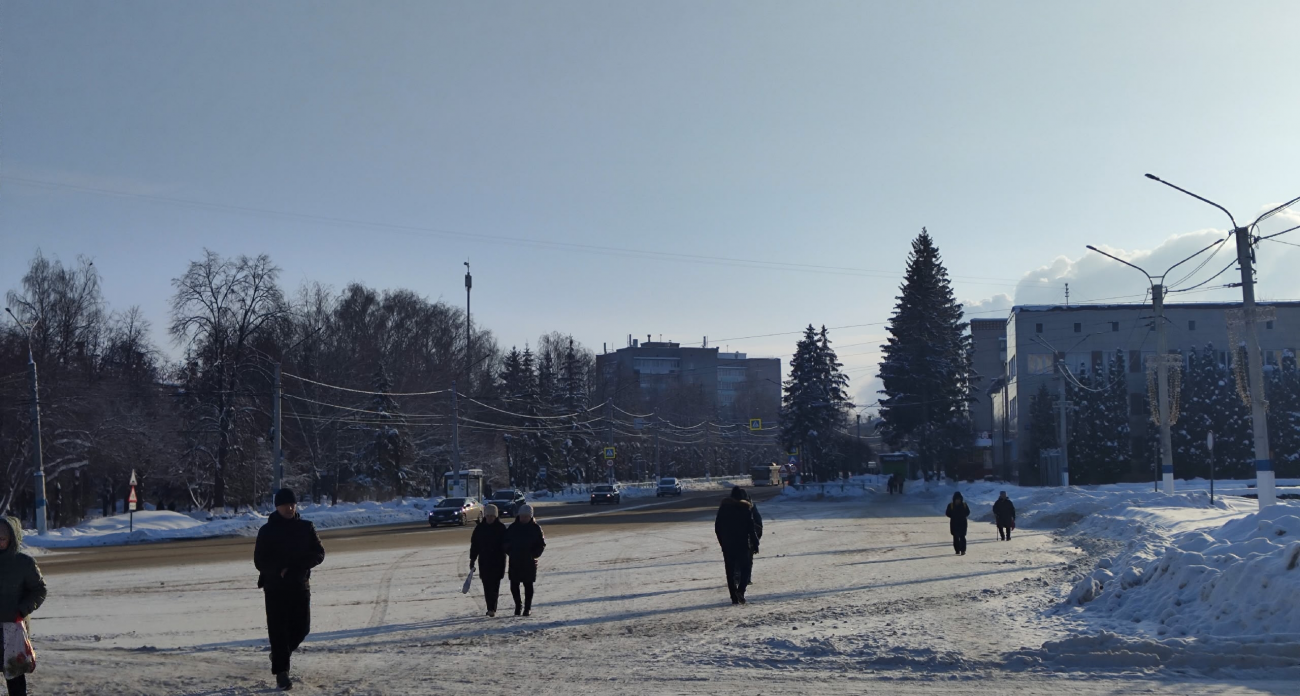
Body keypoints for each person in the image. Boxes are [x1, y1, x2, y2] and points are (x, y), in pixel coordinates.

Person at [254, 489, 325, 691]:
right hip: (275, 587)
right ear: (277, 506)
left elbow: (319, 553)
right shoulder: (267, 531)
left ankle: (279, 654)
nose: (290, 508)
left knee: (302, 628)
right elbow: (259, 560)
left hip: (299, 585)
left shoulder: (306, 527)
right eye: (285, 504)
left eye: (292, 504)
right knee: (278, 631)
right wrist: (278, 569)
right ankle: (281, 673)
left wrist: (298, 566)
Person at [0, 517, 46, 696]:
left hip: (14, 627)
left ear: (12, 538)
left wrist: (23, 609)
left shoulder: (24, 563)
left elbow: (39, 590)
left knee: (15, 675)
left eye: (2, 538)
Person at [715, 487, 760, 605]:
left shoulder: (723, 509)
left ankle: (733, 597)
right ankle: (741, 591)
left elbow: (717, 527)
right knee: (746, 569)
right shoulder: (745, 508)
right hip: (743, 544)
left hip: (728, 545)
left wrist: (722, 542)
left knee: (729, 572)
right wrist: (755, 543)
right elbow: (751, 528)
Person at [504, 504, 546, 616]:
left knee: (528, 585)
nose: (524, 518)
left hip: (529, 561)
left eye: (526, 516)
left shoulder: (535, 528)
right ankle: (518, 606)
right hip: (515, 560)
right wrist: (510, 551)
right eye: (522, 516)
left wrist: (534, 555)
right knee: (514, 585)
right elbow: (505, 541)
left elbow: (541, 544)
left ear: (530, 517)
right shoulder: (513, 527)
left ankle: (527, 608)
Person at [469, 504, 508, 617]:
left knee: (495, 585)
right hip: (484, 560)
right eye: (488, 515)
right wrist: (472, 559)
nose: (490, 518)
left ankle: (493, 608)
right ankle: (489, 607)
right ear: (485, 516)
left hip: (498, 560)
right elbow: (474, 545)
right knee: (486, 585)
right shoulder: (480, 528)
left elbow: (506, 544)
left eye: (492, 516)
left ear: (496, 516)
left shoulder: (501, 528)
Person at [945, 492, 971, 556]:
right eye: (956, 499)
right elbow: (947, 513)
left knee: (962, 536)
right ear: (954, 499)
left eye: (959, 499)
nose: (958, 500)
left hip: (963, 523)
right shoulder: (951, 505)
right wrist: (953, 516)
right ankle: (957, 550)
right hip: (954, 523)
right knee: (956, 537)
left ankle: (963, 550)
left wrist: (962, 516)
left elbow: (968, 512)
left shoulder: (964, 505)